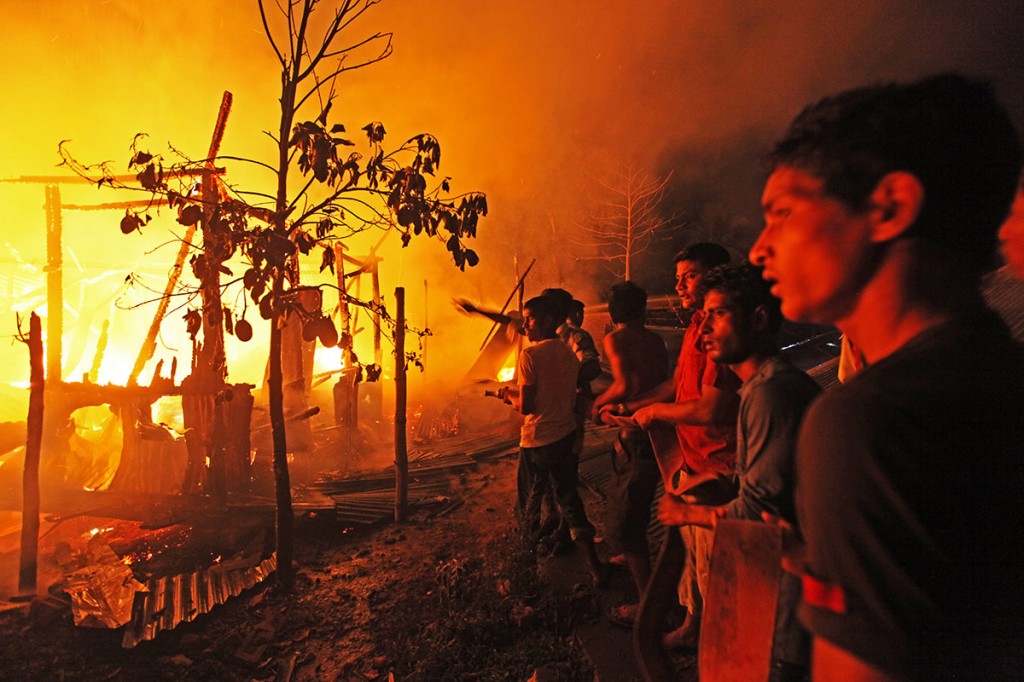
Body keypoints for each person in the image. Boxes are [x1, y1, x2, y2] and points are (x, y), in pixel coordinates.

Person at [748, 73, 1024, 680]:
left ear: (888, 206)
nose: (758, 249)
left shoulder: (867, 423)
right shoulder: (996, 372)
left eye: (783, 213)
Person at [657, 262, 820, 680]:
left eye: (719, 313)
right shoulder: (761, 388)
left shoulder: (770, 394)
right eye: (704, 315)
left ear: (760, 319)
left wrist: (686, 513)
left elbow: (757, 515)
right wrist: (712, 484)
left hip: (790, 613)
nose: (705, 328)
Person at [602, 242, 740, 656]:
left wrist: (657, 413)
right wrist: (632, 407)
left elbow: (710, 407)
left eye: (689, 275)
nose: (678, 283)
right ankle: (693, 625)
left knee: (713, 562)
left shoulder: (720, 333)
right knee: (696, 558)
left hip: (719, 465)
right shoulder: (697, 325)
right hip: (692, 461)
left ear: (716, 275)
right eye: (677, 276)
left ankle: (711, 641)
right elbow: (677, 387)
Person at [501, 295, 606, 586]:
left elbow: (527, 407)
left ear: (548, 320)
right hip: (565, 435)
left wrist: (509, 396)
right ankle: (596, 569)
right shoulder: (567, 352)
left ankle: (525, 575)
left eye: (529, 319)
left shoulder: (530, 356)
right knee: (570, 500)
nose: (525, 325)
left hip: (538, 441)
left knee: (528, 508)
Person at [590, 282, 670, 624]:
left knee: (628, 518)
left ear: (612, 312)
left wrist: (598, 404)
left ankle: (649, 603)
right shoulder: (656, 339)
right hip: (657, 427)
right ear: (643, 309)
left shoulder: (615, 339)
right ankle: (628, 552)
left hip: (634, 431)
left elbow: (626, 384)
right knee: (636, 496)